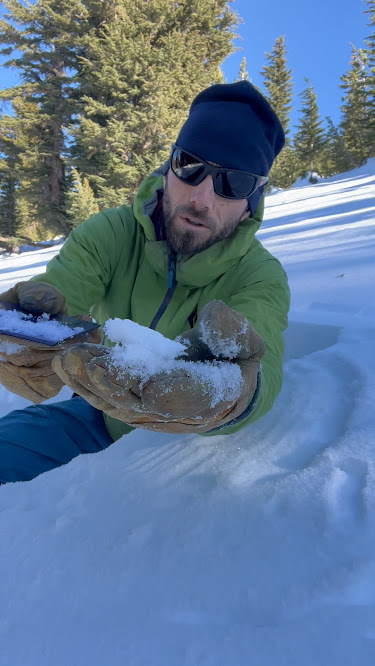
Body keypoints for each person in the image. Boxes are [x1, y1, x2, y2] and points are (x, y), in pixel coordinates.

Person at [0, 81, 290, 483]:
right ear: (169, 168)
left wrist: (231, 397)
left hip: (179, 450)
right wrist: (24, 331)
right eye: (191, 166)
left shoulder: (260, 275)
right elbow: (61, 289)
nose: (201, 198)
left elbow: (262, 361)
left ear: (250, 202)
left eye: (233, 182)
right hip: (93, 412)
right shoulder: (113, 233)